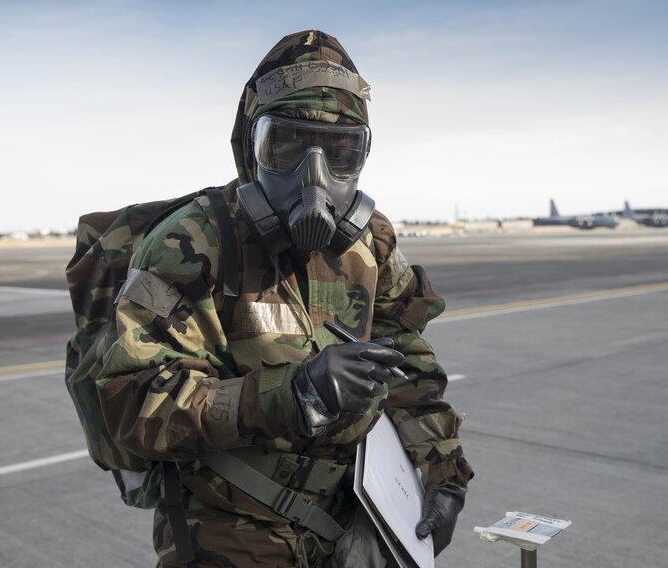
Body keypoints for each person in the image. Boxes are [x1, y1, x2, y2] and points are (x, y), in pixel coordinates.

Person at [96, 29, 473, 567]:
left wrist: (443, 470)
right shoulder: (191, 245)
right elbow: (134, 404)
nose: (313, 179)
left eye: (341, 153)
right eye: (288, 147)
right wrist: (294, 394)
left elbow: (404, 353)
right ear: (251, 149)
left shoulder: (371, 243)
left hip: (355, 508)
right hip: (232, 519)